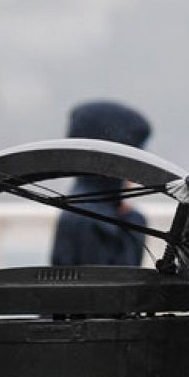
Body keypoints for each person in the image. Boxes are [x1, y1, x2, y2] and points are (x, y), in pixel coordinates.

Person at [49, 100, 153, 267]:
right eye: (134, 162)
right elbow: (119, 287)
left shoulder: (77, 208)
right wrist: (133, 225)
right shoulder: (95, 221)